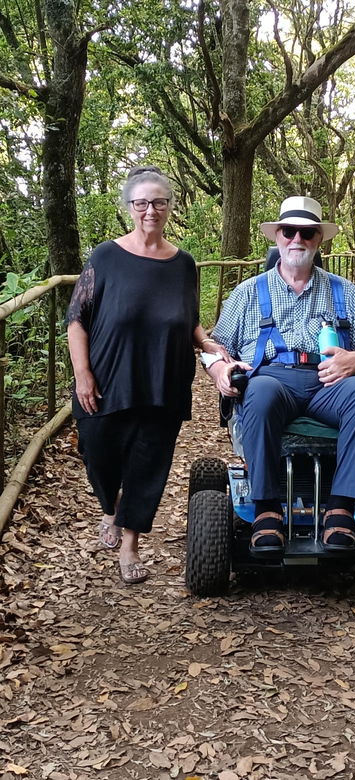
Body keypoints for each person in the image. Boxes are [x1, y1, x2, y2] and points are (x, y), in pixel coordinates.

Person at [67, 165, 230, 584]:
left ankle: (130, 544)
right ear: (130, 207)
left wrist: (207, 343)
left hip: (164, 379)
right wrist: (82, 373)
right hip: (106, 377)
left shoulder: (183, 264)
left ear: (170, 207)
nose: (150, 210)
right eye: (142, 203)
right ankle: (111, 507)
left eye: (159, 202)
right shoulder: (105, 256)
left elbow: (188, 320)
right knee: (98, 453)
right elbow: (77, 320)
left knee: (149, 463)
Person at [203, 196, 355, 554]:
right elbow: (215, 344)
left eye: (306, 233)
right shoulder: (247, 292)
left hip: (329, 383)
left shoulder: (343, 291)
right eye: (289, 232)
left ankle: (340, 509)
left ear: (319, 240)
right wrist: (220, 368)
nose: (297, 240)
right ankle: (266, 509)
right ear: (277, 238)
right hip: (273, 380)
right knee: (257, 392)